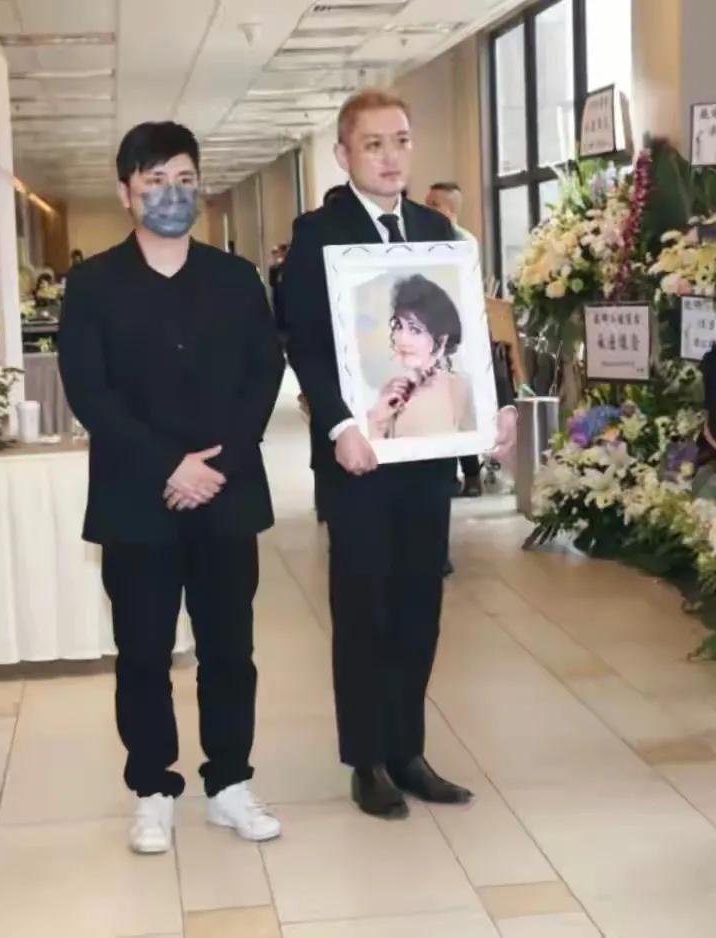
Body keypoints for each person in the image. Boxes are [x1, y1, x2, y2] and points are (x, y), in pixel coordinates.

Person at [58, 120, 285, 854]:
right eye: (154, 180)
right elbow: (90, 392)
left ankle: (230, 784)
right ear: (126, 192)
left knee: (230, 651)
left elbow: (264, 373)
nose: (171, 193)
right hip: (137, 501)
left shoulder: (235, 279)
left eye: (184, 179)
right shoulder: (93, 285)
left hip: (226, 496)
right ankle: (153, 789)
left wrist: (217, 465)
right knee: (144, 653)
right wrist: (168, 464)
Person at [282, 89, 474, 820]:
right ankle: (366, 758)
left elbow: (462, 343)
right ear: (344, 154)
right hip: (357, 455)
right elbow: (304, 344)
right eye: (373, 145)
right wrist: (340, 427)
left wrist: (488, 414)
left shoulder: (436, 230)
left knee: (420, 602)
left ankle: (408, 750)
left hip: (426, 456)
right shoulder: (317, 235)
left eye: (401, 141)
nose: (391, 157)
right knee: (364, 606)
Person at [425, 182, 483, 495]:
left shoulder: (463, 242)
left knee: (460, 405)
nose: (426, 209)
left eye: (433, 204)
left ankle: (472, 474)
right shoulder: (421, 238)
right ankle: (446, 477)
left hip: (456, 335)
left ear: (449, 210)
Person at [366, 275, 476, 440]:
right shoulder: (392, 391)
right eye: (399, 326)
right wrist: (377, 419)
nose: (402, 338)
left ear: (441, 340)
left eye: (415, 330)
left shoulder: (458, 389)